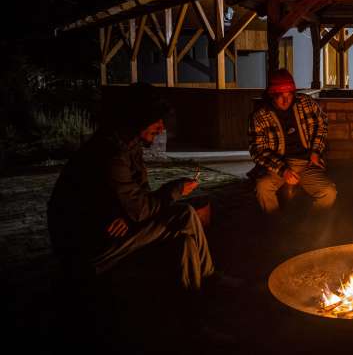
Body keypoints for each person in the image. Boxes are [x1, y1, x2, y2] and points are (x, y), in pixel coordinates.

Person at [47, 82, 237, 348]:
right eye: (156, 121)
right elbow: (139, 207)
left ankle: (194, 323)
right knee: (182, 216)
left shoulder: (129, 144)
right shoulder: (112, 152)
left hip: (112, 226)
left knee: (183, 244)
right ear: (137, 118)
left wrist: (124, 212)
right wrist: (173, 190)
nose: (162, 128)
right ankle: (209, 279)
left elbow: (136, 198)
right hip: (88, 246)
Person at [248, 69, 337, 214]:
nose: (286, 100)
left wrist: (315, 151)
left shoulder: (305, 103)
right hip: (277, 165)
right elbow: (257, 150)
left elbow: (321, 123)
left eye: (289, 95)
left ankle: (313, 225)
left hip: (306, 162)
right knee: (263, 188)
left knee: (329, 192)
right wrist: (283, 170)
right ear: (271, 95)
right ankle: (276, 225)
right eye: (280, 96)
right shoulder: (260, 116)